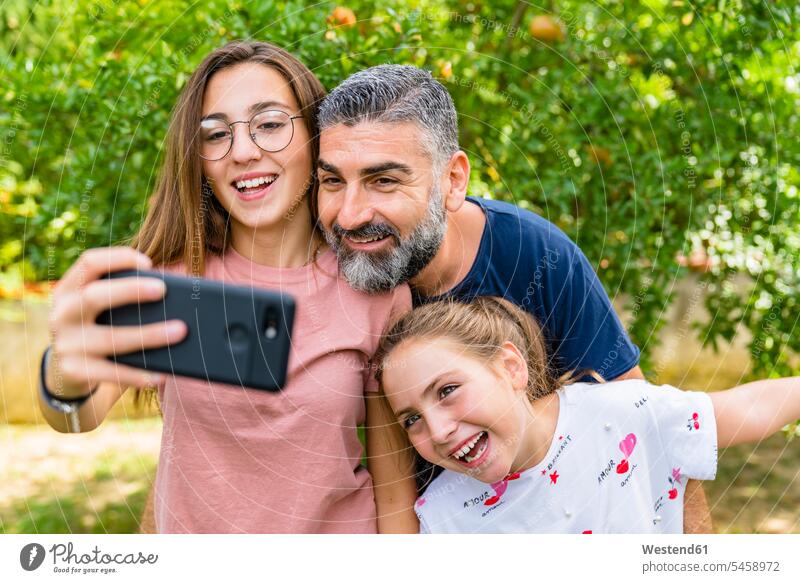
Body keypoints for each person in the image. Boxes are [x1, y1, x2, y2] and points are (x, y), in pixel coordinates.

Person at [312, 64, 714, 532]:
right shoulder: (329, 272)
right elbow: (395, 487)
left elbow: (651, 433)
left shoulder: (538, 256)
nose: (351, 214)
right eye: (333, 181)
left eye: (384, 181)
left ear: (453, 180)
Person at [39, 41, 417, 533]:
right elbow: (77, 418)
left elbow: (393, 490)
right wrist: (64, 368)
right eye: (215, 134)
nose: (242, 151)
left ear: (314, 137)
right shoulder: (171, 281)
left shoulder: (374, 289)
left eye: (270, 124)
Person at [374, 296, 799, 533]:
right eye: (411, 418)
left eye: (447, 391)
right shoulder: (443, 520)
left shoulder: (621, 413)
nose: (439, 429)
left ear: (510, 368)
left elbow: (746, 408)